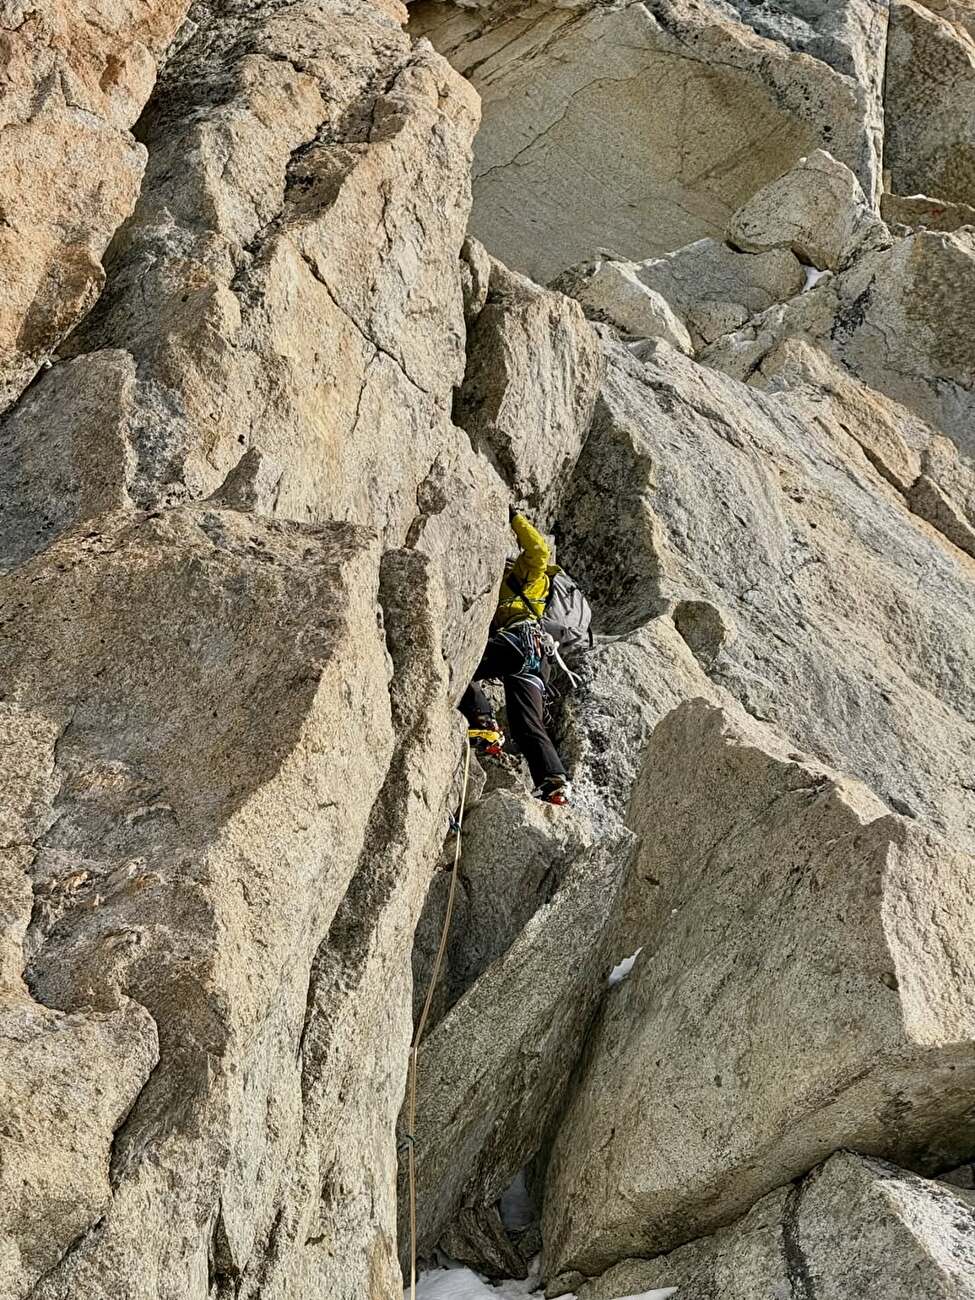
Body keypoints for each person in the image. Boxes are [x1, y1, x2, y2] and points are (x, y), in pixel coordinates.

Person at [460, 508, 572, 805]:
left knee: (459, 665)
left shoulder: (528, 574)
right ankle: (554, 782)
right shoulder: (522, 591)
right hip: (537, 657)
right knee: (527, 726)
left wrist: (515, 518)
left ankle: (483, 723)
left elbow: (539, 550)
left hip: (519, 641)